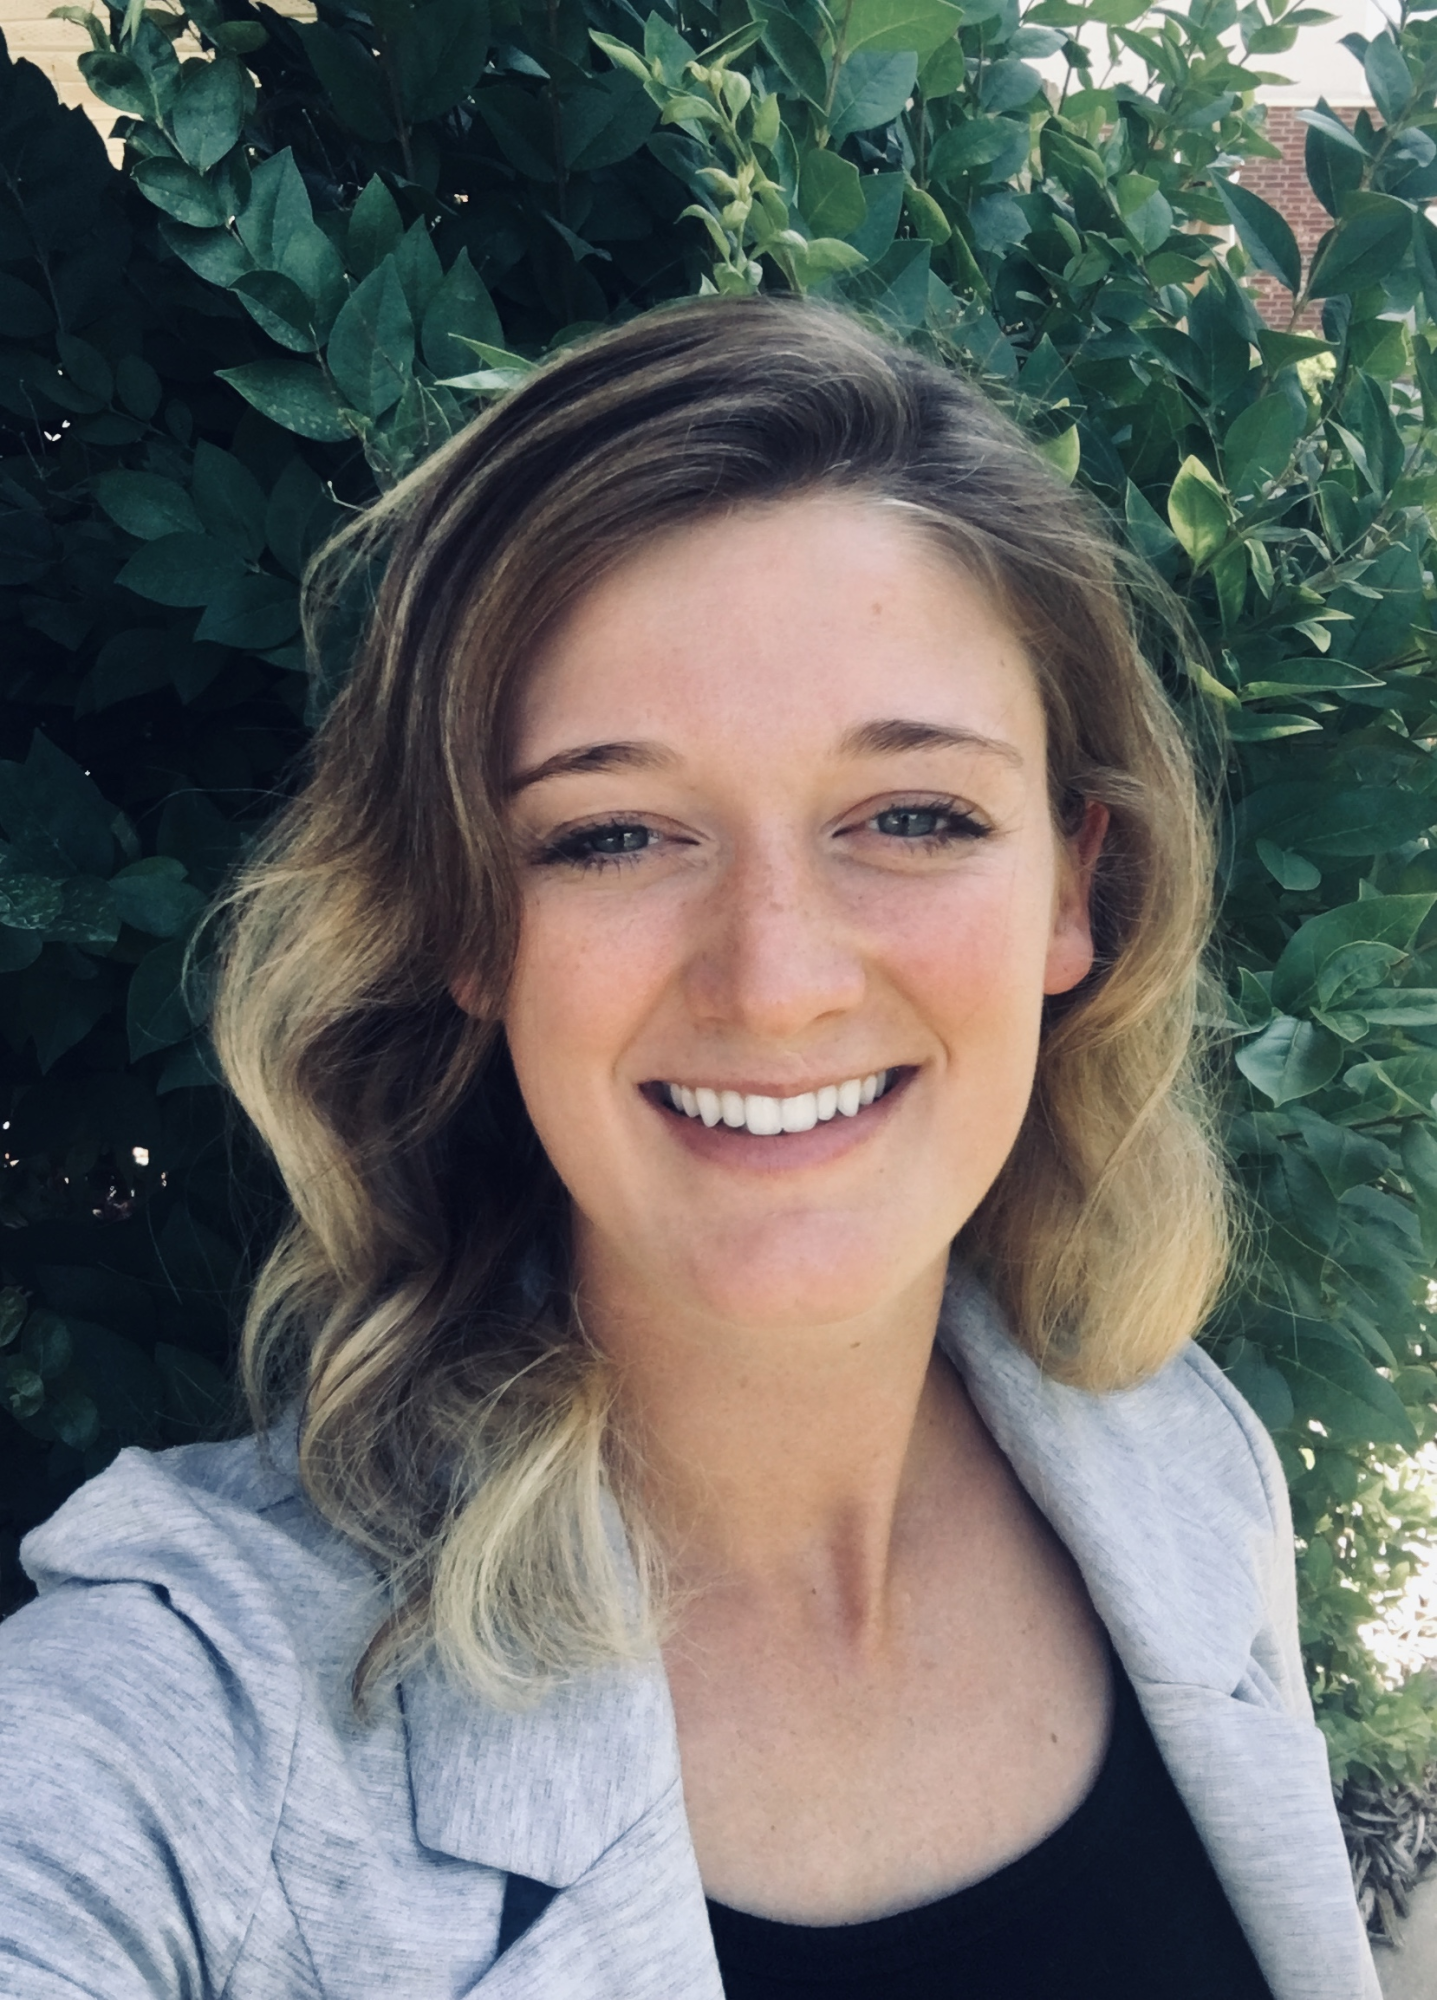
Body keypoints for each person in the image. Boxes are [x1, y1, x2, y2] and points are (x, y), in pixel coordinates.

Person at [0, 298, 1376, 2000]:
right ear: (468, 924)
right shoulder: (198, 1722)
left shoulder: (1175, 1458)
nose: (779, 980)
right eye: (615, 834)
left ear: (1072, 884)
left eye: (916, 815)